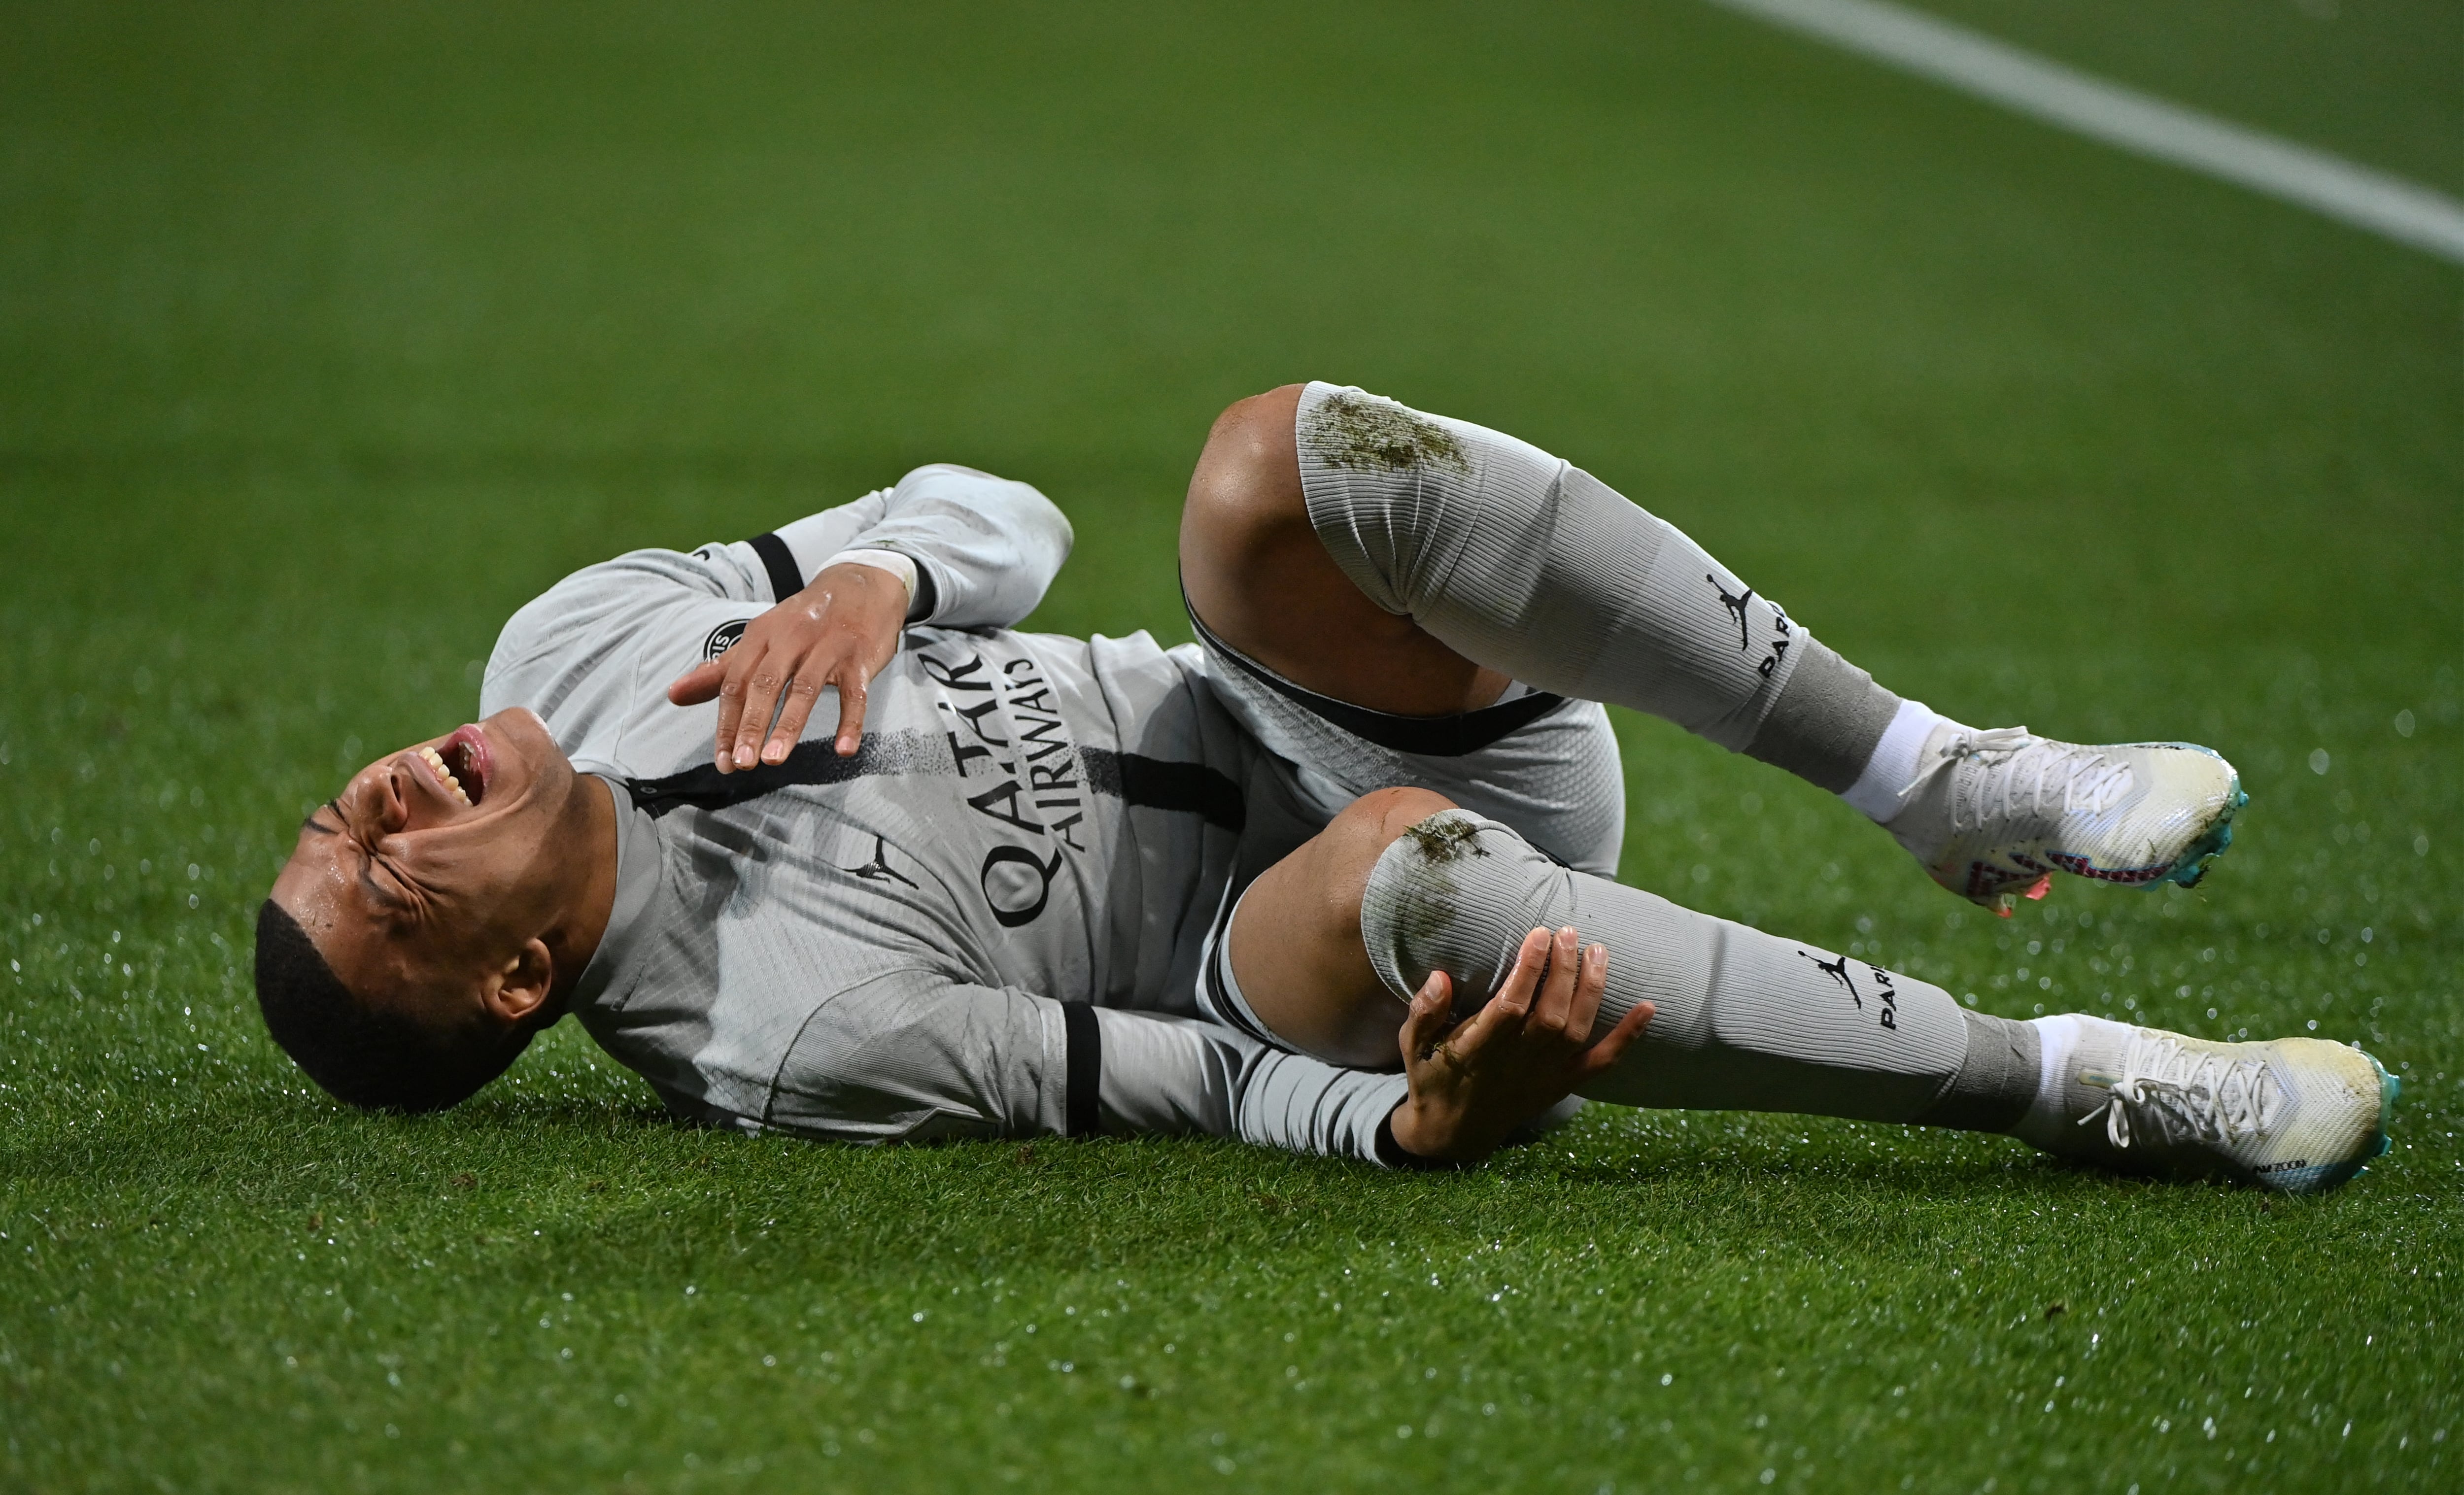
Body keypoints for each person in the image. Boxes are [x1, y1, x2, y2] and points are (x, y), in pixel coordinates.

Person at [255, 383, 2395, 1191]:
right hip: (1310, 955)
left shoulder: (568, 646)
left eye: (339, 824)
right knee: (1394, 873)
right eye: (392, 881)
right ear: (526, 977)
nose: (367, 813)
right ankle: (2088, 1082)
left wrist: (887, 565)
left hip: (1363, 717)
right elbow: (1146, 1074)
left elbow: (999, 509)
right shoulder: (774, 1033)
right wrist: (1401, 1115)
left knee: (1268, 464)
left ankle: (1942, 779)